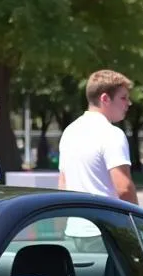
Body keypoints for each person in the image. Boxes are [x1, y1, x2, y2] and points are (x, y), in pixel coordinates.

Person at [58, 69, 137, 203]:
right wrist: (138, 222)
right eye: (123, 98)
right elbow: (124, 189)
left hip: (74, 221)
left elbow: (63, 183)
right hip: (105, 222)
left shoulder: (69, 132)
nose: (128, 103)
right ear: (105, 99)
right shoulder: (111, 134)